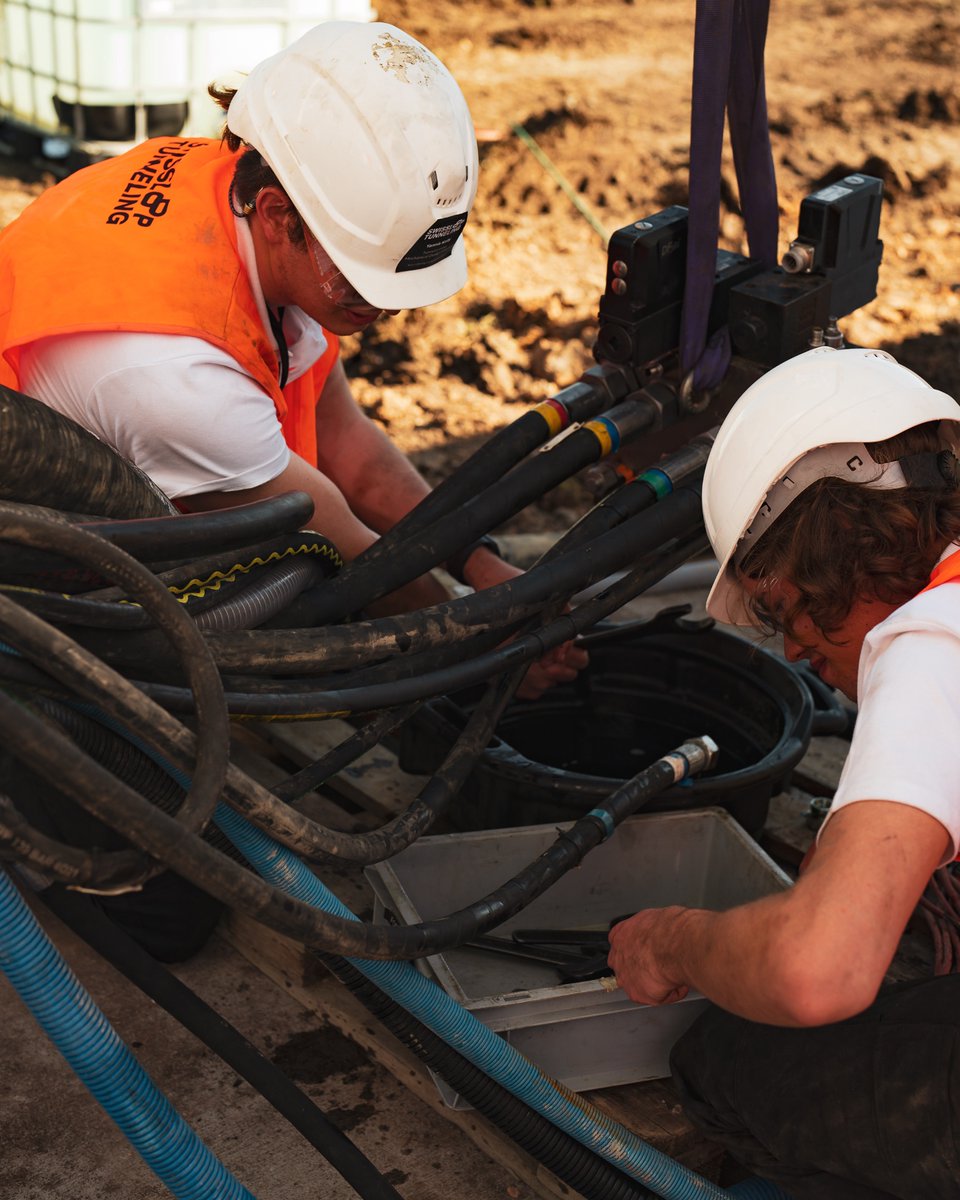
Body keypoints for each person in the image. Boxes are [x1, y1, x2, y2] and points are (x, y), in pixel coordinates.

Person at [0, 18, 585, 698]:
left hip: (133, 469)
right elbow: (341, 546)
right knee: (289, 575)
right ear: (279, 216)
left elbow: (350, 449)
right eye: (367, 282)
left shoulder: (244, 191)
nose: (388, 311)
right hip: (46, 586)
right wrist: (480, 644)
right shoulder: (179, 381)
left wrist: (479, 564)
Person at [607, 345, 960, 1199]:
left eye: (777, 609)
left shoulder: (935, 645)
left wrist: (674, 940)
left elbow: (814, 971)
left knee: (735, 1061)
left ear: (821, 554)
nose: (796, 649)